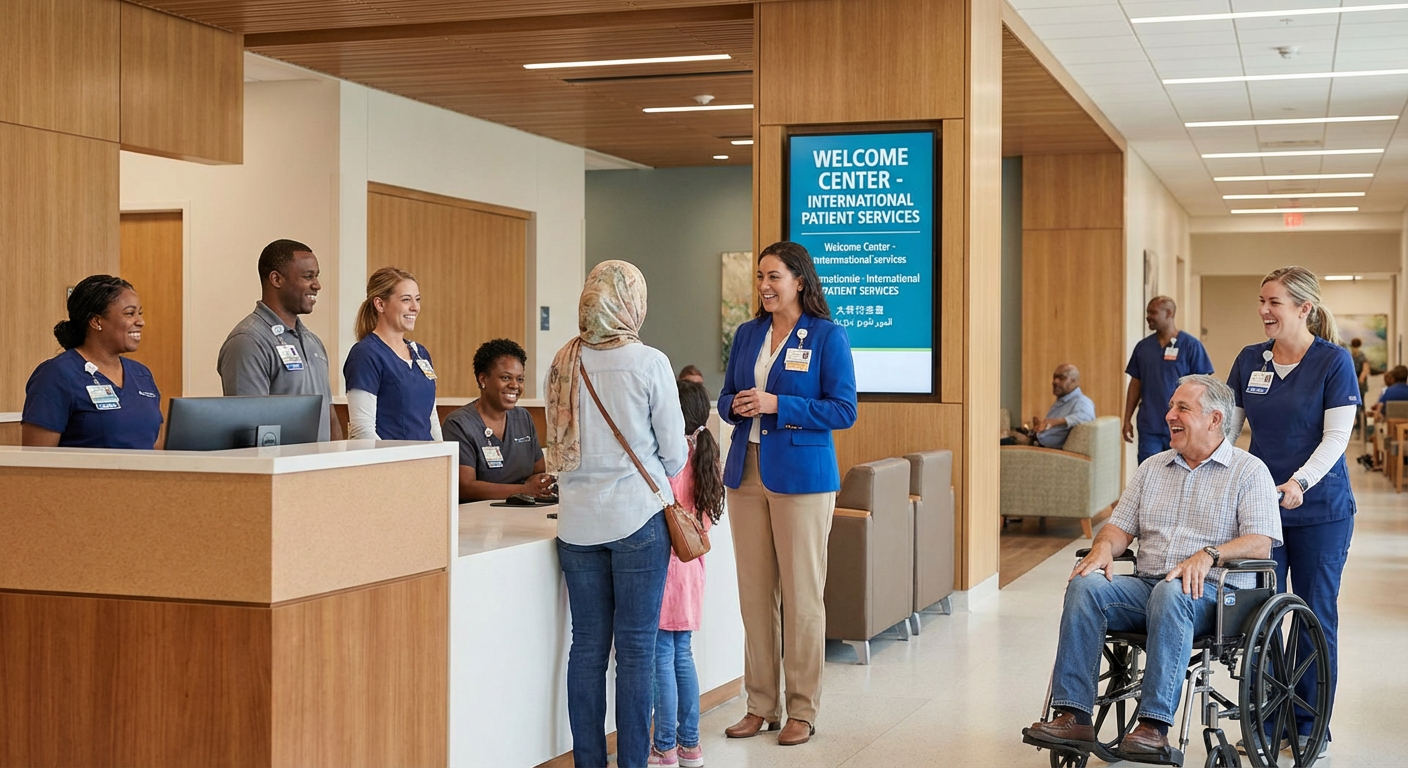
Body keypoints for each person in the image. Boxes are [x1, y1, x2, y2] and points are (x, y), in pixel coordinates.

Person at [1024, 375, 1281, 758]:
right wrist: (1104, 549)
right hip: (1149, 586)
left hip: (1213, 594)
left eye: (1182, 408)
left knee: (1171, 592)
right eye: (1170, 407)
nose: (1168, 415)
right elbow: (1118, 527)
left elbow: (1260, 543)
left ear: (1214, 420)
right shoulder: (1153, 468)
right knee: (1086, 585)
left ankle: (1154, 725)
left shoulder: (1249, 471)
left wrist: (1208, 553)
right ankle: (1074, 714)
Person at [544, 260, 687, 768]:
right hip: (637, 523)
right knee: (636, 654)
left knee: (585, 650)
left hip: (577, 526)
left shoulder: (563, 360)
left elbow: (555, 449)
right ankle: (631, 763)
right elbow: (673, 454)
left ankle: (587, 761)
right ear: (632, 302)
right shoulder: (648, 362)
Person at [717, 241, 858, 747]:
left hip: (802, 477)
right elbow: (725, 396)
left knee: (802, 596)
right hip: (747, 472)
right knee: (755, 597)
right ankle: (761, 705)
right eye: (759, 277)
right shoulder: (748, 333)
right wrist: (738, 403)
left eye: (774, 276)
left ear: (800, 280)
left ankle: (802, 709)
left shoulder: (827, 336)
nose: (764, 286)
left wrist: (779, 403)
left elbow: (843, 410)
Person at [1225, 266, 1358, 758]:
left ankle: (1310, 726)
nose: (1264, 310)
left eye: (1274, 302)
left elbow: (1336, 439)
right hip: (1263, 513)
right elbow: (1229, 433)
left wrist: (1300, 482)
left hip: (1320, 509)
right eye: (1261, 300)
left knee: (1312, 618)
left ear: (1304, 308)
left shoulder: (1332, 363)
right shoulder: (1249, 360)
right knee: (1258, 617)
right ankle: (1268, 720)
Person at [649, 379, 725, 768]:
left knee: (662, 657)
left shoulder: (673, 460)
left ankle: (664, 746)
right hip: (692, 571)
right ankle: (690, 745)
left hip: (667, 571)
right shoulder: (706, 458)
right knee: (681, 656)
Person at [216, 239, 341, 441]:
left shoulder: (313, 341)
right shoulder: (248, 341)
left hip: (318, 468)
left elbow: (330, 417)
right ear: (276, 279)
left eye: (316, 276)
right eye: (308, 276)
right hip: (280, 469)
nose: (317, 285)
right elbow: (249, 426)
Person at [22, 275, 163, 449]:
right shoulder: (57, 374)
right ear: (96, 321)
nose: (140, 322)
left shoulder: (141, 374)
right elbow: (36, 461)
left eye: (139, 313)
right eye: (129, 313)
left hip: (144, 476)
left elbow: (154, 444)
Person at [443, 338, 551, 501]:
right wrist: (524, 489)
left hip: (523, 512)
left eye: (520, 379)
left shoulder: (523, 418)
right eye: (506, 378)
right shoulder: (459, 424)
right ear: (483, 379)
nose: (515, 385)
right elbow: (464, 487)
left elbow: (538, 473)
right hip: (478, 519)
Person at [342, 267, 440, 441]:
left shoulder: (420, 353)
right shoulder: (365, 354)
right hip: (391, 463)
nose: (415, 307)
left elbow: (431, 417)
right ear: (380, 304)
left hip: (425, 462)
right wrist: (391, 467)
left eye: (417, 300)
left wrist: (442, 458)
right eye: (406, 300)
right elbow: (362, 430)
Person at [1122, 296, 1214, 463]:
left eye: (1153, 312)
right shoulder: (1143, 347)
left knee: (1180, 471)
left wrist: (1203, 422)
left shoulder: (1191, 346)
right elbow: (1135, 384)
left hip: (1183, 425)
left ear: (1169, 313)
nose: (1148, 316)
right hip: (1150, 424)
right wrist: (1127, 418)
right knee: (1149, 472)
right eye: (1147, 312)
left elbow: (1204, 386)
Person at [1002, 363, 1095, 450]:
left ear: (1074, 381)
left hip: (1043, 450)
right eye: (1054, 377)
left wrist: (1055, 422)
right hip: (1035, 441)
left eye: (1061, 378)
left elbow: (1086, 417)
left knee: (996, 443)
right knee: (1001, 434)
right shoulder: (1062, 401)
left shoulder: (1082, 401)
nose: (1055, 381)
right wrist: (1037, 430)